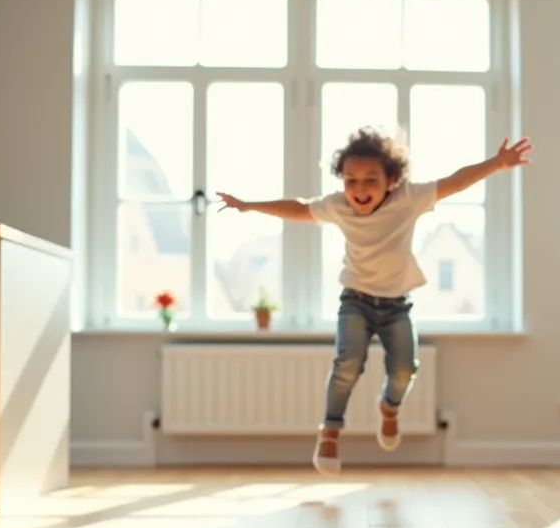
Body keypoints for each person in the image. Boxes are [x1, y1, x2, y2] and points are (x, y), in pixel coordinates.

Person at [217, 127, 532, 475]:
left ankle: (389, 407)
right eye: (351, 180)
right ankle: (331, 431)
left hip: (397, 304)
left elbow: (454, 182)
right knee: (347, 363)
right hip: (356, 300)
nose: (360, 189)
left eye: (370, 180)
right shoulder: (337, 206)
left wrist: (497, 163)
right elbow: (299, 209)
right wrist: (249, 206)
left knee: (404, 369)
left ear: (392, 179)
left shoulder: (408, 199)